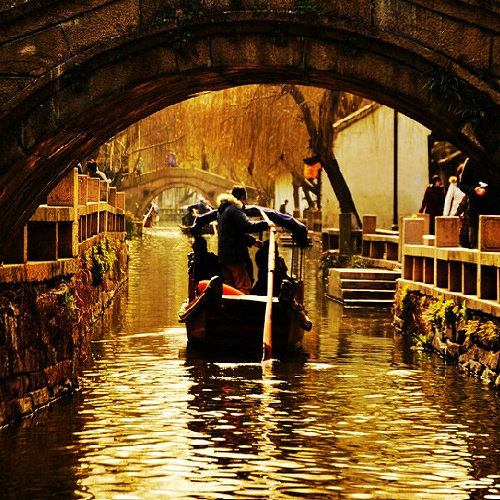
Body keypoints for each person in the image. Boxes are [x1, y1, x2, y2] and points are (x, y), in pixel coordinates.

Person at [217, 185, 272, 294]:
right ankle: (242, 305)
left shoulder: (221, 211)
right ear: (242, 198)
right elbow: (247, 226)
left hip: (223, 257)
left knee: (229, 286)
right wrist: (266, 224)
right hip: (235, 257)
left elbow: (233, 232)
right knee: (243, 286)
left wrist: (252, 241)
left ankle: (228, 305)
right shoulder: (235, 209)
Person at [458, 158, 500, 248]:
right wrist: (474, 190)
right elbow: (462, 184)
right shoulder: (471, 160)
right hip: (477, 211)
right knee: (476, 244)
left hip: (496, 211)